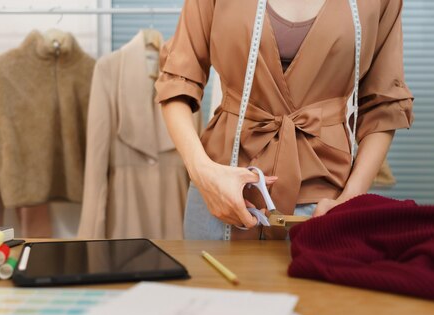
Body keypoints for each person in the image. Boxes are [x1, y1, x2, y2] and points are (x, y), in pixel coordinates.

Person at [155, 0, 414, 240]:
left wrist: (350, 199)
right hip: (222, 190)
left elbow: (383, 106)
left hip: (326, 203)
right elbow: (178, 81)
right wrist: (204, 175)